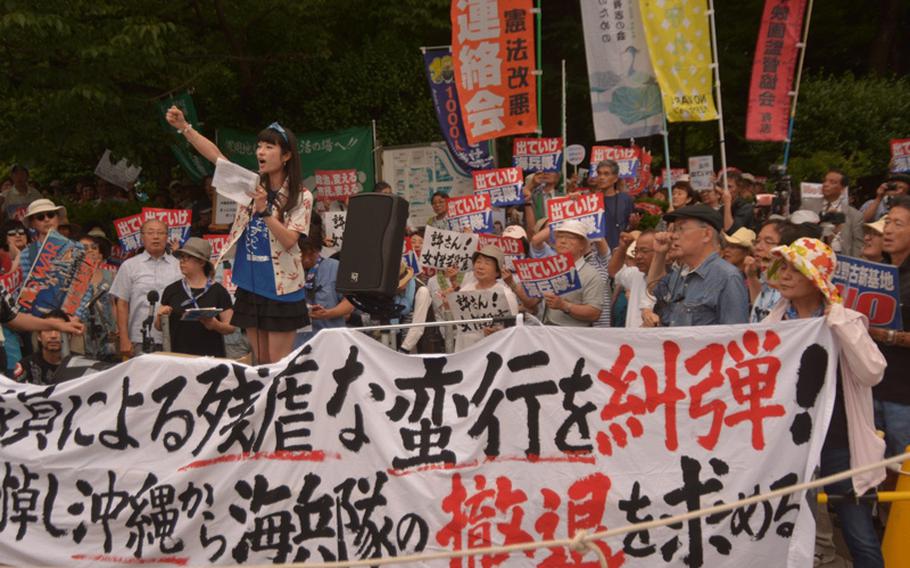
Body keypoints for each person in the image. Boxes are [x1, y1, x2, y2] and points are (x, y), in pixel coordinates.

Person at [763, 238, 886, 568]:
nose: (785, 275)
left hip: (839, 442)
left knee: (858, 531)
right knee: (786, 528)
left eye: (796, 269)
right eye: (784, 267)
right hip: (788, 443)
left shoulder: (845, 319)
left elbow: (873, 371)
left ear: (816, 278)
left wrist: (838, 323)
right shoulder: (774, 322)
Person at [166, 106, 313, 364]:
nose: (261, 152)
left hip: (282, 288)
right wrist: (184, 127)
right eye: (259, 146)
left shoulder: (301, 195)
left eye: (269, 147)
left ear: (287, 155)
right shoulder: (250, 185)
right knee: (260, 362)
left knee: (277, 366)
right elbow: (217, 159)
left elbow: (290, 240)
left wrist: (265, 212)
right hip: (251, 282)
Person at [649, 204, 750, 326]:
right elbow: (653, 290)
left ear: (706, 234)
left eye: (681, 229)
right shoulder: (681, 272)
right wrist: (659, 254)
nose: (674, 236)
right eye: (674, 230)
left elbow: (735, 335)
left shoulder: (727, 277)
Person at [868, 195, 910, 463]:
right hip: (872, 387)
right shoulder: (876, 272)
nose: (889, 230)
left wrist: (890, 336)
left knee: (902, 470)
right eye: (888, 222)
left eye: (898, 223)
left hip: (904, 395)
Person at [110, 219, 182, 357]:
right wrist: (124, 338)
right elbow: (122, 303)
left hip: (172, 337)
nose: (156, 236)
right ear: (142, 237)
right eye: (150, 232)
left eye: (160, 233)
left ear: (167, 237)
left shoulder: (178, 266)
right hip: (138, 337)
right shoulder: (129, 266)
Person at [156, 238, 235, 357]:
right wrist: (159, 316)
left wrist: (215, 325)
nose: (182, 261)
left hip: (210, 359)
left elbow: (231, 327)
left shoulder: (218, 291)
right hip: (178, 357)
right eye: (181, 257)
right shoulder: (171, 290)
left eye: (187, 258)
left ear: (202, 262)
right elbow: (159, 327)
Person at [452, 245, 518, 351]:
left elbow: (514, 328)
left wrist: (498, 331)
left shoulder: (506, 295)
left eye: (487, 263)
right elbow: (458, 324)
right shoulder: (464, 291)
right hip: (466, 351)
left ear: (497, 272)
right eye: (478, 262)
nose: (481, 266)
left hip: (494, 352)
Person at [540, 220, 606, 326]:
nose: (563, 241)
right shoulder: (550, 270)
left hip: (573, 338)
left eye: (570, 237)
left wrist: (564, 305)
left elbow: (594, 313)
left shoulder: (591, 275)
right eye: (559, 237)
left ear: (582, 245)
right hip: (549, 333)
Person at [295, 233, 353, 346]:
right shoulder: (286, 271)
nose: (306, 260)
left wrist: (329, 313)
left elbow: (350, 303)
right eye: (302, 254)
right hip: (298, 342)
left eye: (311, 254)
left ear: (319, 250)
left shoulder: (335, 267)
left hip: (331, 339)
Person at [74, 235, 119, 361]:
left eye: (94, 247)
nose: (90, 250)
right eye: (84, 247)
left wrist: (116, 327)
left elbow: (113, 303)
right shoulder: (70, 277)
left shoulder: (110, 276)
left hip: (106, 332)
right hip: (81, 332)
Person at [609, 230, 656, 328]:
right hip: (632, 341)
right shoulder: (635, 274)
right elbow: (613, 272)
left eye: (644, 251)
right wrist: (623, 248)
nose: (638, 256)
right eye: (636, 251)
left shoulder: (671, 280)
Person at [12, 310, 74, 384]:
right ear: (39, 336)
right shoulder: (26, 365)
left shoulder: (82, 363)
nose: (53, 336)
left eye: (59, 330)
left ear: (69, 336)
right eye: (48, 330)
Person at [818, 169, 864, 256]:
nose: (826, 184)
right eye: (825, 181)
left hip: (842, 259)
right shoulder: (808, 206)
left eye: (832, 182)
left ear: (842, 188)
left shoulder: (855, 215)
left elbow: (858, 245)